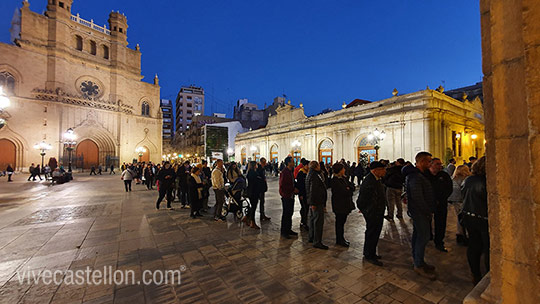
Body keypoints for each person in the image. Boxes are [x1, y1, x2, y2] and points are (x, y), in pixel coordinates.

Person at [403, 152, 436, 280]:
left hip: (420, 211)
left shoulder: (420, 175)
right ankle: (418, 264)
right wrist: (427, 210)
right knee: (423, 237)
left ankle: (419, 261)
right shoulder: (415, 177)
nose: (430, 164)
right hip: (419, 212)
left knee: (419, 236)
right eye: (429, 161)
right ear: (421, 162)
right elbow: (417, 197)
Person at [461, 156, 488, 285]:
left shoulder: (468, 180)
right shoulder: (487, 181)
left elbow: (463, 196)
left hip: (468, 216)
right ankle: (489, 274)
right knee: (488, 247)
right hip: (484, 218)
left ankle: (475, 273)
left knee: (473, 246)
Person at [357, 161, 387, 266]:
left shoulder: (377, 179)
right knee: (371, 233)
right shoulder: (369, 181)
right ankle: (369, 255)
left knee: (375, 233)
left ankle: (372, 252)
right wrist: (366, 211)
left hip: (377, 211)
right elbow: (362, 199)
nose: (384, 171)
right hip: (373, 212)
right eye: (382, 169)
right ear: (375, 170)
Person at [426, 158, 453, 252]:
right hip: (428, 204)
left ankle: (439, 242)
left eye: (440, 164)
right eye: (437, 164)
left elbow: (449, 188)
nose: (439, 166)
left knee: (441, 223)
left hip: (441, 203)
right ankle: (427, 236)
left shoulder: (444, 175)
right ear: (431, 164)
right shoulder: (425, 175)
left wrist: (441, 198)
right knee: (426, 221)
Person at [330, 163, 355, 247]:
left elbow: (352, 187)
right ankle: (339, 239)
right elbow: (343, 192)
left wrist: (349, 189)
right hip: (339, 205)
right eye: (343, 169)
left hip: (345, 204)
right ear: (339, 170)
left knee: (342, 222)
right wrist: (348, 189)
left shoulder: (344, 178)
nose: (344, 170)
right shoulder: (335, 180)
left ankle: (342, 238)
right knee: (339, 223)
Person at [306, 161, 328, 249]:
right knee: (318, 222)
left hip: (313, 202)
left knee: (312, 220)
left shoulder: (310, 174)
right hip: (317, 202)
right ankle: (317, 241)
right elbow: (313, 190)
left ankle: (311, 237)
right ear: (316, 166)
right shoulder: (314, 176)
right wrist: (313, 203)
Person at [448, 164, 471, 245]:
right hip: (461, 200)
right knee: (464, 218)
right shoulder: (464, 179)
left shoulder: (453, 178)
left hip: (454, 200)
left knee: (459, 217)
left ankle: (460, 234)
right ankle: (463, 235)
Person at [279, 156, 298, 239]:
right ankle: (284, 231)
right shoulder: (285, 172)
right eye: (292, 161)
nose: (294, 163)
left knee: (290, 213)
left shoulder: (290, 171)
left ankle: (288, 229)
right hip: (286, 196)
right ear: (289, 163)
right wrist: (293, 189)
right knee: (286, 214)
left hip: (291, 195)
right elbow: (282, 185)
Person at [246, 161, 261, 229]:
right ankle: (252, 222)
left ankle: (246, 217)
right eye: (256, 164)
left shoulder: (249, 172)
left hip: (250, 191)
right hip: (254, 192)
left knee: (252, 206)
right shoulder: (253, 173)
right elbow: (256, 182)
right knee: (253, 207)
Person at [295, 159, 309, 230]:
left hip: (307, 194)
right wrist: (301, 195)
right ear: (305, 165)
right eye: (307, 165)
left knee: (306, 208)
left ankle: (305, 221)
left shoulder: (307, 172)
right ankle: (303, 222)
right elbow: (299, 185)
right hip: (302, 194)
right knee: (304, 208)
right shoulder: (301, 173)